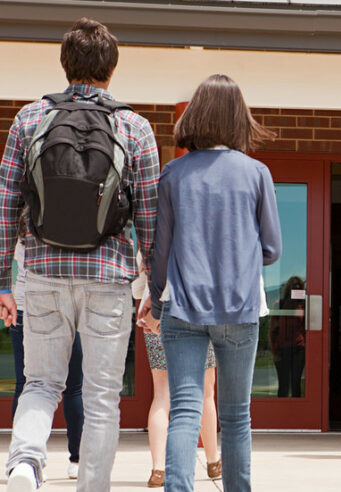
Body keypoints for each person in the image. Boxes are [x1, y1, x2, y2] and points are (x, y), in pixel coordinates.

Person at [1, 18, 159, 491]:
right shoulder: (134, 126)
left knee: (41, 383)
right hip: (108, 277)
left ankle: (26, 464)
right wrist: (152, 286)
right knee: (101, 396)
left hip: (43, 272)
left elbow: (6, 206)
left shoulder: (29, 119)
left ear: (65, 64)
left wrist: (3, 283)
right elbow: (149, 218)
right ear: (111, 70)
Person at [141, 73, 281, 492]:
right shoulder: (257, 173)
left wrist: (156, 302)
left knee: (184, 410)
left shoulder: (173, 174)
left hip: (182, 309)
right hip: (240, 309)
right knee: (237, 414)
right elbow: (272, 249)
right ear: (240, 118)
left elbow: (159, 253)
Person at [131, 254, 221, 488]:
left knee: (162, 396)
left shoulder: (151, 234)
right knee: (206, 393)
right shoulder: (198, 226)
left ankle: (158, 469)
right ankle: (213, 462)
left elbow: (137, 290)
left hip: (156, 318)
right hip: (199, 314)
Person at [10, 219, 84, 481]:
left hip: (22, 307)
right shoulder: (54, 221)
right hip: (62, 307)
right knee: (74, 387)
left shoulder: (20, 228)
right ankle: (77, 459)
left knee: (27, 385)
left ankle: (20, 457)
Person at [269, 276, 306, 398]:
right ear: (288, 289)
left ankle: (298, 413)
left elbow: (308, 329)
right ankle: (281, 414)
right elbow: (273, 330)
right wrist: (275, 351)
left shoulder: (303, 305)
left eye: (299, 287)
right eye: (293, 287)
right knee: (283, 384)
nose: (296, 289)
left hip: (299, 348)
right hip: (282, 349)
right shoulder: (279, 304)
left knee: (296, 382)